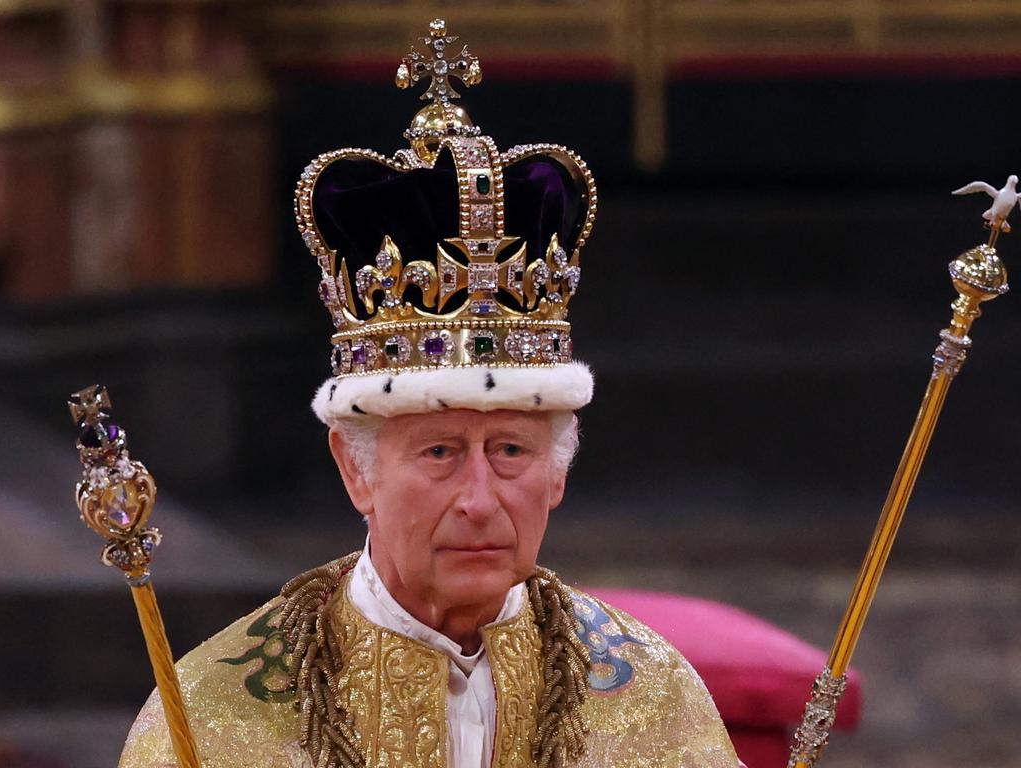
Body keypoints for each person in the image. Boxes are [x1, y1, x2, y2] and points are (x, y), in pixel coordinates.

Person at [119, 19, 741, 768]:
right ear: (357, 470)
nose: (479, 498)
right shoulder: (215, 719)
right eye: (441, 451)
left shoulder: (654, 698)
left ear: (558, 474)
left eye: (511, 450)